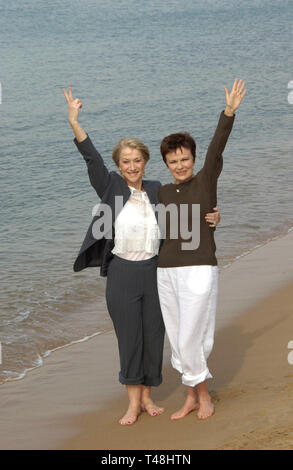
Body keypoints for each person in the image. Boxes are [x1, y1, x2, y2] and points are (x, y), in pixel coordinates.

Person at [63, 87, 221, 425]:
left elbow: (186, 214)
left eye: (137, 161)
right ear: (119, 166)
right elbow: (91, 157)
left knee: (153, 336)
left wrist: (213, 217)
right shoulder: (110, 187)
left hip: (155, 271)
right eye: (126, 162)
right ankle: (133, 402)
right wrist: (75, 122)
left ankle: (149, 397)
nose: (132, 166)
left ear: (145, 162)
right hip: (122, 273)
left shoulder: (156, 189)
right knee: (129, 338)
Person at [156, 78, 247, 421]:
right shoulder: (161, 192)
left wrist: (228, 112)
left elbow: (216, 149)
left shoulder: (206, 180)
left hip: (198, 269)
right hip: (165, 272)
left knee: (193, 334)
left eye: (184, 159)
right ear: (165, 163)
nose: (180, 165)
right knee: (178, 340)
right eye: (173, 161)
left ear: (192, 158)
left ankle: (204, 396)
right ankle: (191, 397)